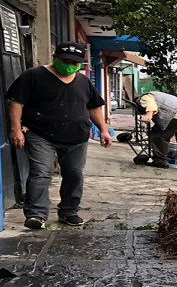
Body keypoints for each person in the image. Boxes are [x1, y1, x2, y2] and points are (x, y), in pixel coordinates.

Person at [6, 42, 112, 229]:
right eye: (66, 61)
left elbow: (93, 107)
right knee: (41, 174)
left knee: (74, 175)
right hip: (40, 135)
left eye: (75, 62)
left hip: (77, 137)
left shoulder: (83, 81)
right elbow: (16, 103)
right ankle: (36, 214)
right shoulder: (34, 75)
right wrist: (15, 129)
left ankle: (69, 211)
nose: (70, 65)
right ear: (55, 58)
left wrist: (103, 130)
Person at [137, 90, 177, 171]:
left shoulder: (146, 96)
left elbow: (150, 105)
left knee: (158, 135)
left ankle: (160, 160)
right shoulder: (161, 96)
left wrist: (148, 114)